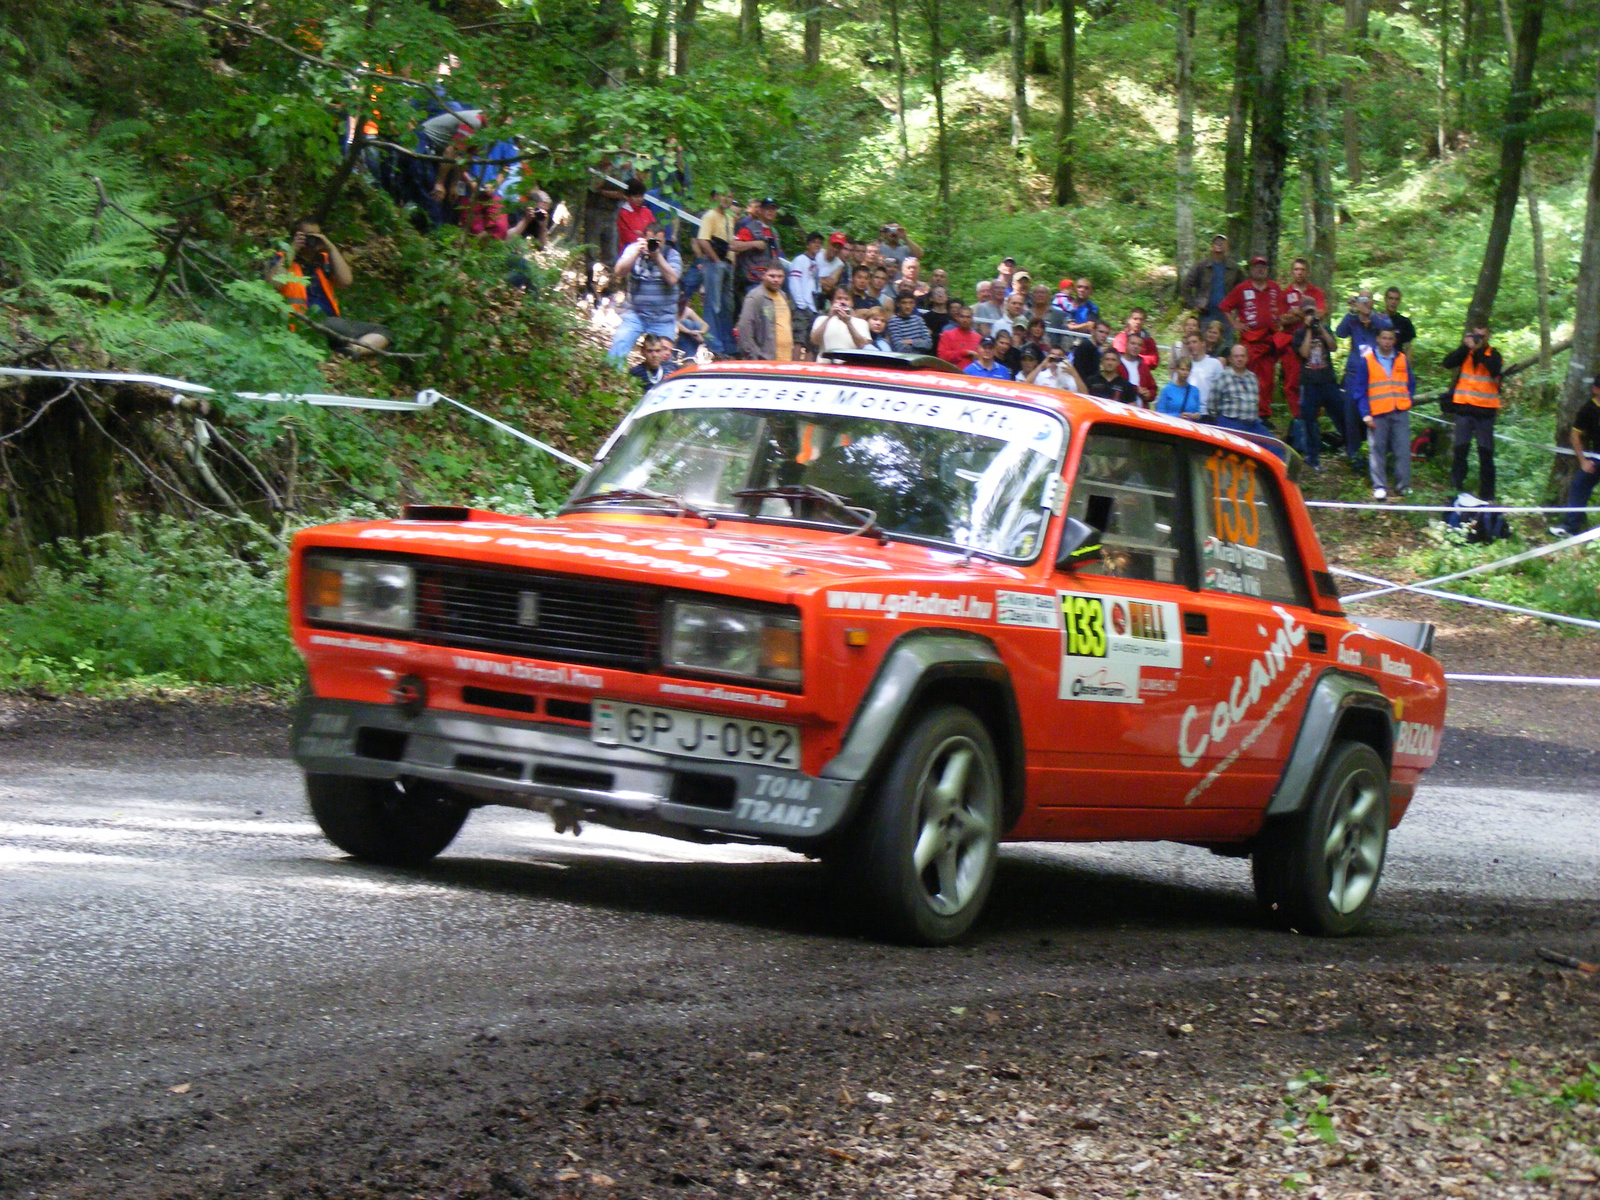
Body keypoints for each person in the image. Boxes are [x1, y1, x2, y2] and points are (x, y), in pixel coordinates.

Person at [265, 218, 393, 357]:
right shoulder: (283, 258)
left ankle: (352, 351)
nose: (313, 240)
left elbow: (346, 281)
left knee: (383, 331)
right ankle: (344, 347)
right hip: (300, 323)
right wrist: (293, 249)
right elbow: (271, 284)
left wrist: (331, 247)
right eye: (309, 236)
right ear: (297, 236)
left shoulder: (323, 260)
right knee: (337, 326)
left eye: (317, 235)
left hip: (332, 323)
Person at [1348, 327, 1415, 499]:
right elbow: (1360, 390)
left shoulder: (1402, 359)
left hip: (1399, 411)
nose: (1387, 341)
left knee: (1402, 450)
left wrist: (1407, 400)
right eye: (1384, 338)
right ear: (1378, 339)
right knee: (1377, 450)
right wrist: (1365, 413)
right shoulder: (1367, 360)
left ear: (1394, 341)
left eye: (1390, 338)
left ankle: (1403, 485)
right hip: (1377, 413)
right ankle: (1380, 486)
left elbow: (1411, 383)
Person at [1441, 322, 1504, 501]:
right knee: (1460, 451)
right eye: (1475, 336)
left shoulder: (1493, 354)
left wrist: (1479, 350)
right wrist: (1464, 346)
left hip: (1485, 413)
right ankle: (1456, 490)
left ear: (1488, 336)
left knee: (1486, 455)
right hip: (1464, 410)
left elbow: (1495, 369)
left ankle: (1487, 495)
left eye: (1481, 336)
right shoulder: (1465, 353)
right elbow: (1447, 362)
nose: (1478, 340)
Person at [1220, 256, 1286, 420]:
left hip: (1270, 340)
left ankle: (1264, 414)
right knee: (1247, 375)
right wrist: (1235, 324)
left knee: (1268, 380)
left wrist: (1281, 319)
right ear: (1251, 269)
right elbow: (1225, 306)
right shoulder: (1242, 288)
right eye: (1256, 266)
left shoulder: (1274, 288)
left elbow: (1283, 307)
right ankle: (1247, 411)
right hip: (1250, 340)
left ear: (1267, 269)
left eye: (1263, 266)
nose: (1260, 269)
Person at [608, 221, 683, 362]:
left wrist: (658, 257)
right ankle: (611, 379)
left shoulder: (672, 255)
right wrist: (636, 253)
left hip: (663, 319)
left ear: (664, 241)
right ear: (643, 238)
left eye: (658, 242)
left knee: (663, 360)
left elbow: (673, 279)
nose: (654, 244)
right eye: (650, 241)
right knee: (619, 346)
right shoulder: (633, 249)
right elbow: (619, 272)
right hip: (636, 315)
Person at [1334, 291, 1394, 463]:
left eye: (1366, 300)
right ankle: (1354, 455)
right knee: (1351, 416)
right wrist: (1352, 311)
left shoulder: (1379, 318)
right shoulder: (1353, 318)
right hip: (1354, 374)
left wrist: (1369, 314)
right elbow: (1340, 332)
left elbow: (1387, 327)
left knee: (1375, 415)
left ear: (1372, 301)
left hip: (1375, 375)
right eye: (1361, 299)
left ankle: (1377, 455)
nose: (1364, 302)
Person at [1277, 258, 1327, 420]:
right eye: (1296, 269)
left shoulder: (1316, 292)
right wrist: (1305, 314)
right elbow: (1282, 319)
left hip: (1313, 342)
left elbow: (1320, 313)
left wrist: (1296, 313)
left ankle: (1314, 417)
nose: (1299, 272)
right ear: (1292, 272)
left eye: (1302, 269)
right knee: (1292, 382)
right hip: (1292, 341)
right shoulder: (1285, 294)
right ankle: (1297, 417)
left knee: (1315, 379)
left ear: (1308, 272)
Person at [1292, 304, 1340, 469]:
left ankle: (1350, 450)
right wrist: (1309, 330)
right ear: (1303, 316)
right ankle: (1312, 458)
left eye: (1313, 312)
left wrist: (1320, 328)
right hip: (1309, 383)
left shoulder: (1324, 328)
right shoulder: (1299, 333)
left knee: (1340, 415)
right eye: (1308, 313)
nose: (1311, 316)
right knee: (1310, 421)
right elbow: (1304, 353)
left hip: (1328, 381)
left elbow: (1333, 347)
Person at [1550, 377, 1600, 537]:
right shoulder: (1588, 410)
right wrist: (1583, 461)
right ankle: (1570, 527)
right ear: (1595, 389)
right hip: (1597, 457)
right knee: (1579, 483)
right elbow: (1574, 435)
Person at [1181, 234, 1244, 350]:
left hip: (1226, 314)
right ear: (1211, 246)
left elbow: (1243, 289)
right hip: (1206, 312)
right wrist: (1193, 304)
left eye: (1222, 242)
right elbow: (1186, 285)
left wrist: (1238, 310)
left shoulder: (1234, 267)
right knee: (1204, 346)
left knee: (1226, 346)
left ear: (1227, 246)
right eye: (1216, 242)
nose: (1219, 245)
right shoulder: (1202, 266)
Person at [692, 187, 735, 355]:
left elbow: (730, 243)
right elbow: (702, 239)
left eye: (730, 196)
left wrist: (731, 263)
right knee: (713, 305)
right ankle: (713, 345)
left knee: (726, 306)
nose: (727, 199)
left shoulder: (729, 218)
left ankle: (727, 345)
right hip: (714, 263)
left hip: (727, 264)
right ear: (716, 197)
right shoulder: (710, 215)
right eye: (723, 195)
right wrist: (716, 261)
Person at [736, 263, 798, 361]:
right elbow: (744, 327)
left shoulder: (784, 296)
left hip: (785, 359)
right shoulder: (755, 297)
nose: (776, 280)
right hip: (765, 361)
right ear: (763, 275)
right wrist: (754, 356)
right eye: (772, 276)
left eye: (780, 276)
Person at [1211, 344, 1270, 434]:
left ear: (1247, 358)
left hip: (1253, 425)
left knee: (1274, 446)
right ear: (1230, 359)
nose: (1239, 359)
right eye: (1236, 356)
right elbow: (1212, 404)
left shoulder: (1253, 377)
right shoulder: (1222, 377)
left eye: (1242, 356)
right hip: (1230, 423)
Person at [731, 197, 781, 294]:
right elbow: (733, 246)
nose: (770, 212)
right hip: (752, 281)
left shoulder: (774, 232)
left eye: (773, 209)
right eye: (767, 209)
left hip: (770, 281)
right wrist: (753, 244)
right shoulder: (750, 229)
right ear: (761, 211)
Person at [1112, 310, 1160, 403]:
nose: (1138, 322)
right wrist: (1135, 389)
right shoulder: (1118, 365)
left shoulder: (1143, 367)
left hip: (1140, 407)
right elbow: (1119, 352)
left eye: (1139, 345)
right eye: (1135, 319)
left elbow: (1154, 361)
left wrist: (1149, 394)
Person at [1182, 331, 1223, 413]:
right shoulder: (1184, 365)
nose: (1191, 346)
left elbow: (1222, 389)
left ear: (1203, 343)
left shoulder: (1215, 364)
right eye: (1188, 343)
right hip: (1187, 412)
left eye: (1194, 342)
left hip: (1207, 413)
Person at [937, 304, 982, 369]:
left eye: (968, 317)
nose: (965, 320)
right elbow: (942, 357)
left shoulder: (978, 338)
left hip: (972, 375)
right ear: (957, 317)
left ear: (972, 319)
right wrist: (965, 353)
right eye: (962, 317)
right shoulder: (947, 335)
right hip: (953, 374)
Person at [616, 178, 655, 250]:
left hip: (648, 249)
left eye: (641, 196)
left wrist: (642, 235)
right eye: (636, 196)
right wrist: (646, 236)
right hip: (629, 250)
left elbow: (655, 230)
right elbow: (627, 237)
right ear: (627, 197)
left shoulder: (647, 211)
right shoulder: (623, 213)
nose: (639, 199)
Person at [1383, 287, 1417, 356]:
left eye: (1396, 299)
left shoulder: (1405, 322)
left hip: (1398, 362)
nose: (1393, 302)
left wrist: (1408, 365)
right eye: (1391, 298)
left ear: (1399, 301)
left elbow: (1408, 347)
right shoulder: (1376, 320)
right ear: (1385, 299)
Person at [676, 296, 710, 360]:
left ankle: (693, 356)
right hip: (678, 338)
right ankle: (689, 357)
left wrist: (701, 332)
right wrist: (690, 332)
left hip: (693, 337)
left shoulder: (687, 310)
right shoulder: (670, 309)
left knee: (697, 325)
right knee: (686, 323)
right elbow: (674, 323)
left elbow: (705, 325)